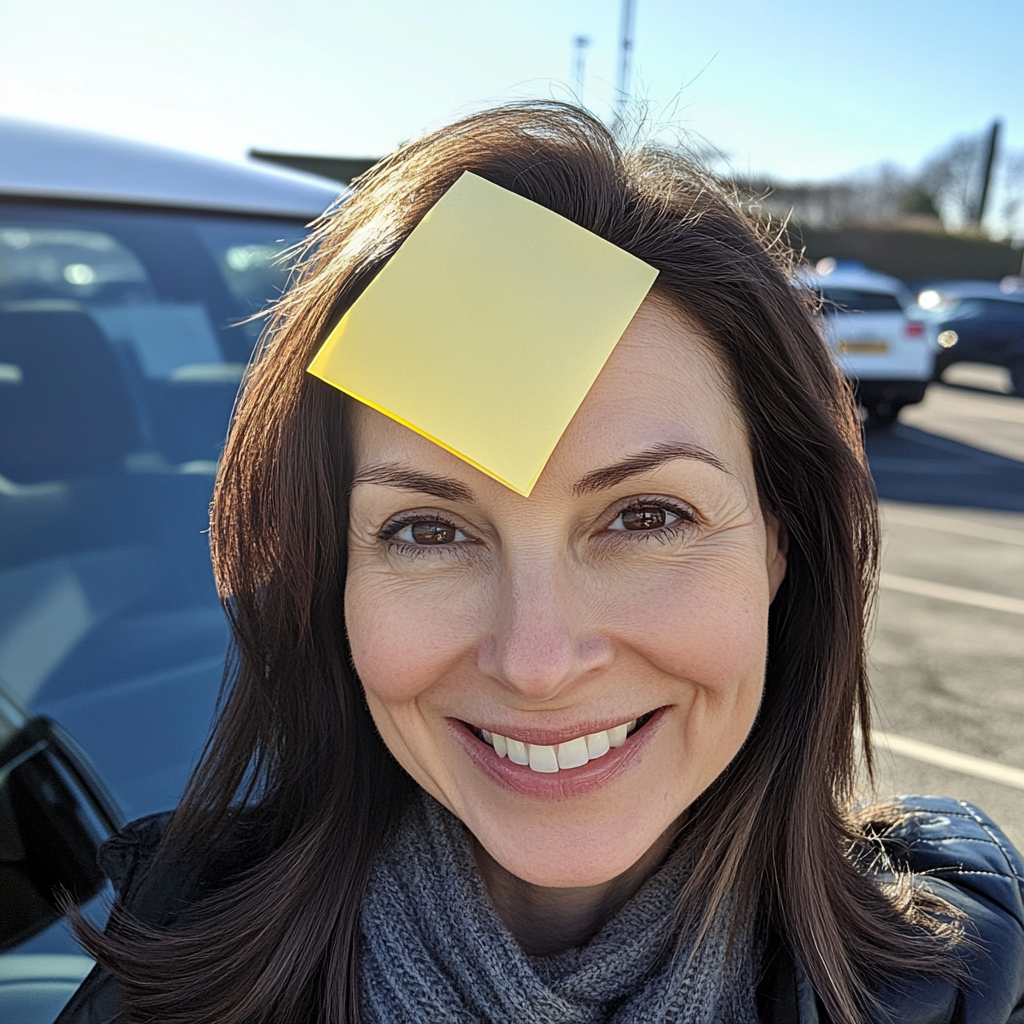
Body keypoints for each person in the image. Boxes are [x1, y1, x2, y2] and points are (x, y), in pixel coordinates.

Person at [59, 102, 1024, 1024]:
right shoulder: (159, 988)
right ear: (331, 582)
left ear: (780, 545)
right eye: (427, 531)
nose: (537, 660)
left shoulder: (968, 988)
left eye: (646, 516)